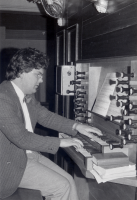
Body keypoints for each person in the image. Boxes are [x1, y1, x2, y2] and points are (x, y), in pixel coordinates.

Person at [0, 47, 102, 200]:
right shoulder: (3, 98)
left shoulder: (24, 95)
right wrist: (61, 141)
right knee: (62, 187)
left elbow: (45, 116)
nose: (41, 80)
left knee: (68, 180)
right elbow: (22, 138)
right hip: (9, 166)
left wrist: (76, 126)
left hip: (28, 155)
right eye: (38, 75)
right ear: (22, 72)